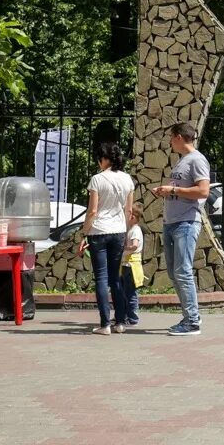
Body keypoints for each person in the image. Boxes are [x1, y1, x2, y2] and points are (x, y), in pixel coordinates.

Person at [152, 122, 210, 335]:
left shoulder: (197, 160)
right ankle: (192, 314)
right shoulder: (184, 161)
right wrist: (167, 191)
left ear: (178, 137)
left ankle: (192, 321)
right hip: (172, 223)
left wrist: (173, 189)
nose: (169, 142)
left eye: (170, 137)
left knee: (182, 272)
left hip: (185, 223)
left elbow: (203, 191)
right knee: (175, 273)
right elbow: (183, 190)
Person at [77, 142, 135, 334]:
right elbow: (129, 210)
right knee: (115, 277)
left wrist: (84, 233)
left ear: (104, 159)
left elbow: (92, 211)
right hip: (118, 231)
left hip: (98, 231)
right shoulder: (127, 180)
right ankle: (120, 322)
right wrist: (126, 232)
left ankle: (105, 324)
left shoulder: (97, 180)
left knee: (101, 278)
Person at [118, 205, 144, 328]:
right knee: (124, 292)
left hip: (131, 265)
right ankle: (123, 315)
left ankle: (133, 318)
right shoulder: (131, 229)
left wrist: (123, 248)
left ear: (133, 217)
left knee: (131, 293)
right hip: (126, 264)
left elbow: (134, 245)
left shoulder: (135, 230)